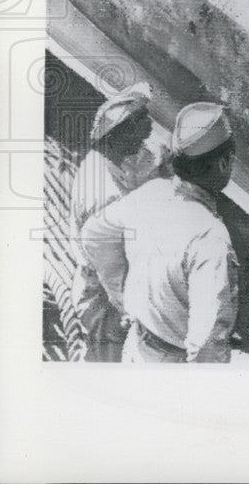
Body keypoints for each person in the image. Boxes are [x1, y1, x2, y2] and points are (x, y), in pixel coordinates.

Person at [82, 102, 240, 363]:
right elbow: (206, 344)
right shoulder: (211, 238)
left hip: (137, 349)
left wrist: (119, 293)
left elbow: (93, 234)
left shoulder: (150, 193)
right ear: (223, 163)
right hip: (170, 367)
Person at [68, 82, 169, 361]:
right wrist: (135, 314)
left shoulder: (118, 154)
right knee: (112, 369)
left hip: (126, 268)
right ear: (117, 137)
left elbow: (150, 162)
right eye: (139, 122)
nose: (148, 126)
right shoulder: (103, 197)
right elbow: (113, 277)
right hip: (105, 299)